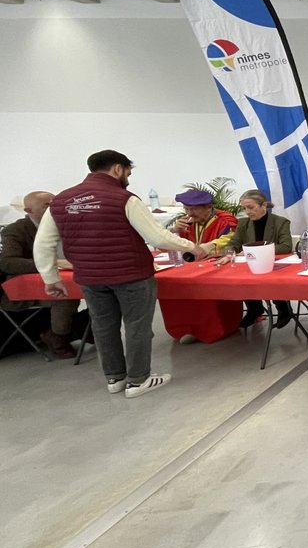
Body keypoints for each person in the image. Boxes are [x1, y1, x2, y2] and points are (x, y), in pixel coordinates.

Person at [33, 150, 201, 398]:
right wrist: (192, 247)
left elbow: (43, 243)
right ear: (117, 169)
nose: (129, 179)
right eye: (128, 173)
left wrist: (50, 279)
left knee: (103, 327)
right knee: (137, 327)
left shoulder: (60, 202)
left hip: (90, 277)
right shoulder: (123, 198)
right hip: (130, 275)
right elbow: (155, 236)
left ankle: (115, 378)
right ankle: (138, 380)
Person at [0, 191, 82, 358]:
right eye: (47, 205)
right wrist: (52, 263)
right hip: (26, 288)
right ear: (29, 210)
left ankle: (86, 330)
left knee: (104, 291)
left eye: (55, 202)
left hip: (68, 275)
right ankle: (57, 337)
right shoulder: (16, 230)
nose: (54, 207)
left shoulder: (67, 224)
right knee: (64, 295)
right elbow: (7, 262)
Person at [220, 189, 294, 330]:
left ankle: (283, 307)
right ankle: (254, 309)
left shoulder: (280, 222)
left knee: (270, 278)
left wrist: (256, 251)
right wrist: (229, 253)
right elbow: (233, 243)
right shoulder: (243, 224)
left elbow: (286, 247)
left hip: (275, 266)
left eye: (251, 207)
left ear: (264, 206)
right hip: (250, 265)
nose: (247, 211)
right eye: (244, 208)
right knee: (239, 278)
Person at [174, 189, 238, 256]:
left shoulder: (225, 220)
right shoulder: (188, 222)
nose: (189, 214)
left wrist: (203, 248)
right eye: (186, 209)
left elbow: (228, 241)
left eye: (194, 209)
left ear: (209, 207)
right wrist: (176, 231)